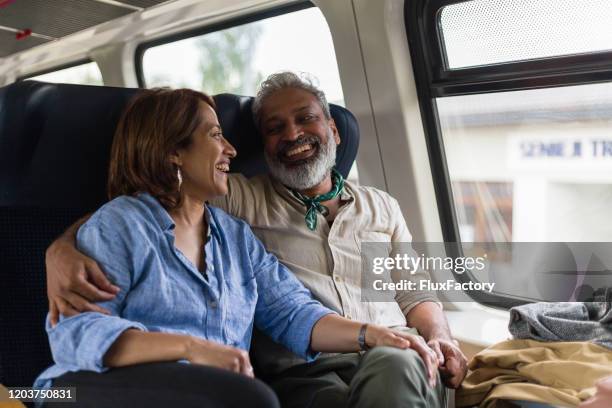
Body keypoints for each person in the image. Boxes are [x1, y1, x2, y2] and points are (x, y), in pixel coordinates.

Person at [46, 73, 468, 407]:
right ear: (172, 151)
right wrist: (61, 246)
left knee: (391, 365)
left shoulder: (235, 237)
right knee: (252, 398)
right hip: (103, 389)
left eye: (306, 118)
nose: (230, 149)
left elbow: (293, 313)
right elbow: (75, 333)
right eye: (215, 136)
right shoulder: (128, 223)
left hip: (230, 390)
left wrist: (376, 335)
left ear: (335, 131)